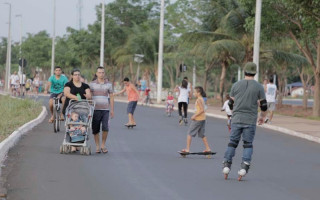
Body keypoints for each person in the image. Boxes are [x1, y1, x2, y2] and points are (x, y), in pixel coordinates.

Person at [222, 62, 267, 181]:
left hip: (236, 119)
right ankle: (244, 167)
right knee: (247, 144)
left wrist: (234, 111)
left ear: (244, 72)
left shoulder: (236, 85)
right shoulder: (259, 87)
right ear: (255, 73)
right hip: (250, 120)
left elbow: (231, 103)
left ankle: (226, 165)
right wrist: (262, 116)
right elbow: (263, 105)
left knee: (232, 142)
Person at [89, 66, 114, 154]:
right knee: (95, 129)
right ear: (96, 74)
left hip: (105, 110)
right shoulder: (91, 84)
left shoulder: (109, 84)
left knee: (105, 128)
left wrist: (112, 110)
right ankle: (97, 146)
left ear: (104, 73)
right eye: (99, 72)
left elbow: (111, 97)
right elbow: (89, 96)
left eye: (103, 72)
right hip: (95, 110)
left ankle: (103, 145)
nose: (101, 74)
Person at [180, 86, 211, 153]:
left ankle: (187, 149)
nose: (193, 93)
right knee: (202, 134)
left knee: (189, 133)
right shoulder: (202, 99)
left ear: (198, 92)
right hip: (203, 119)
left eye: (194, 92)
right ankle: (208, 148)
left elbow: (202, 110)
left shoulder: (199, 100)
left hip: (198, 119)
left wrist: (194, 115)